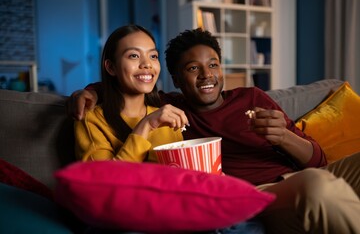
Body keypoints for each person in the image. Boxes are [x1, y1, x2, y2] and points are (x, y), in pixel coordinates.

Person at [67, 28, 360, 233]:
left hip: (307, 173)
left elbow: (320, 160)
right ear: (176, 80)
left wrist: (285, 137)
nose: (207, 75)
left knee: (325, 177)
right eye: (193, 68)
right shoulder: (170, 111)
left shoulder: (253, 97)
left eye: (213, 65)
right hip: (264, 195)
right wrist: (89, 92)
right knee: (318, 186)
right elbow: (131, 87)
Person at [74, 24, 188, 162]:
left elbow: (180, 176)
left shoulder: (168, 120)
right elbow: (104, 181)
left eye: (153, 56)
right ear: (111, 67)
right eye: (134, 56)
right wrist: (146, 125)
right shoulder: (91, 120)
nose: (147, 64)